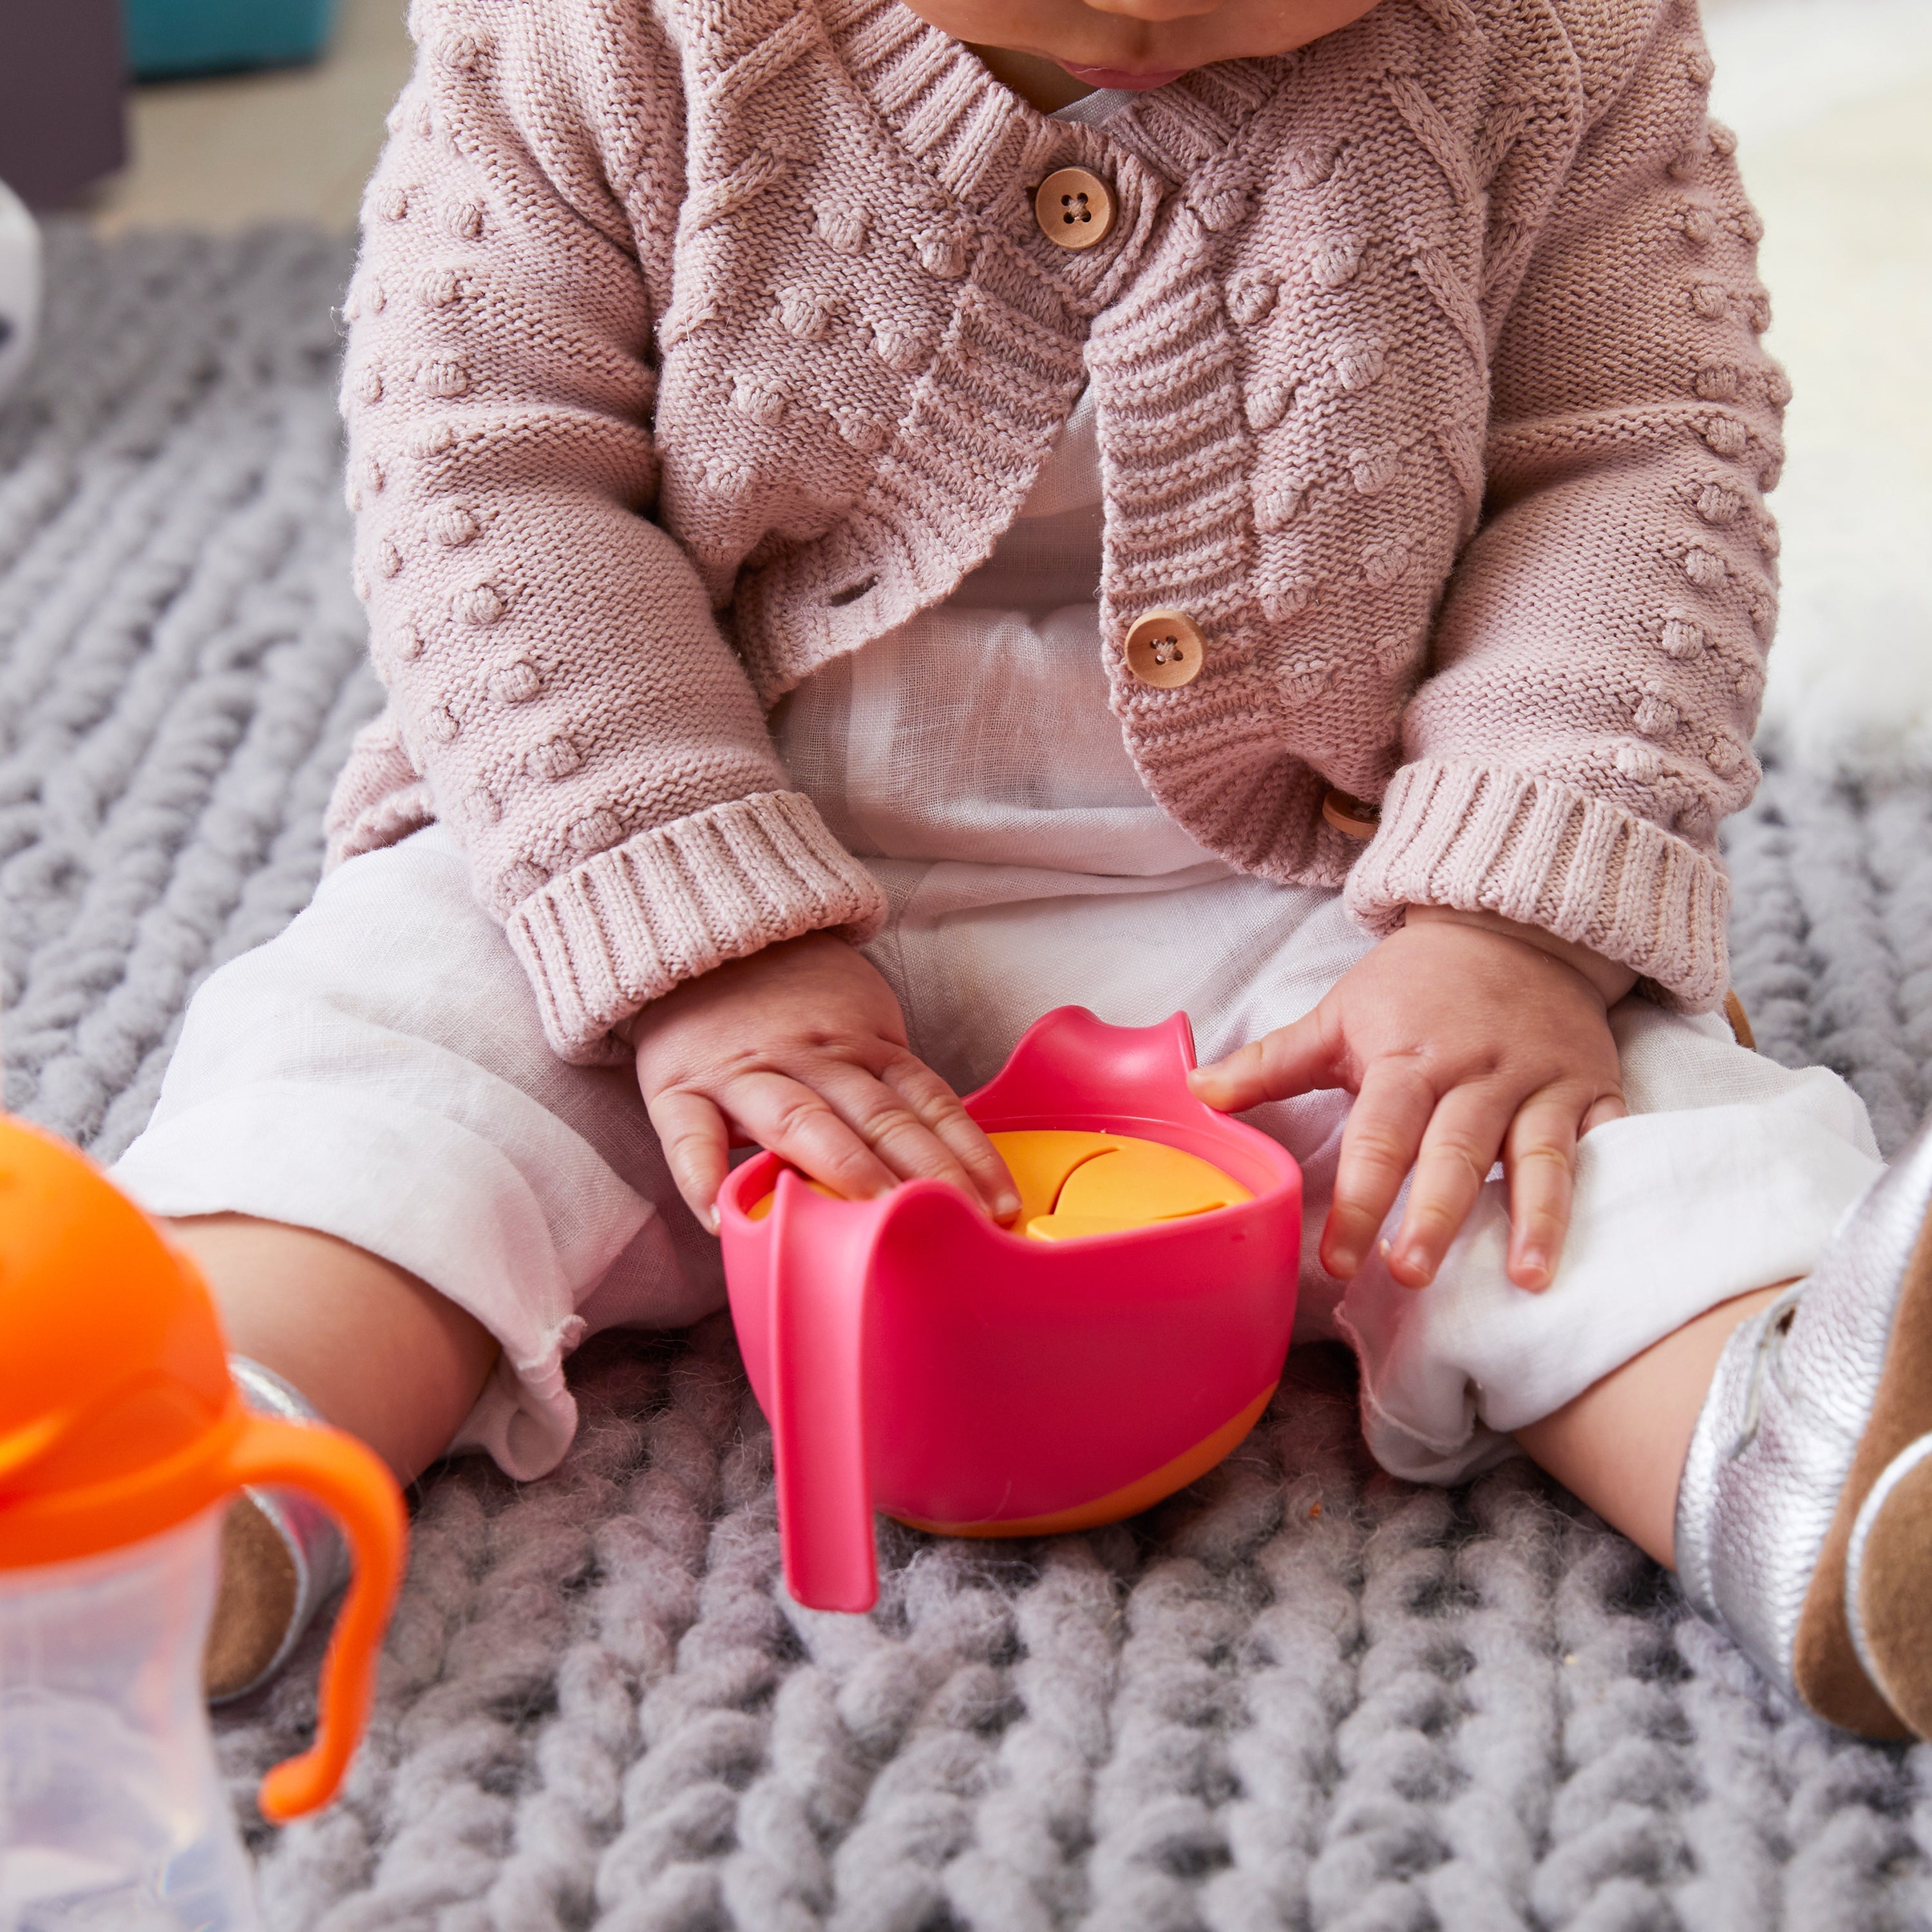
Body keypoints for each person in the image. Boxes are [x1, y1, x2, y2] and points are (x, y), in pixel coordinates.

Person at [112, 0, 1932, 1740]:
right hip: (664, 847)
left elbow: (1636, 468)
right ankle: (199, 1463)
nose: (1142, 13)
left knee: (1557, 1140)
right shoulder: (602, 31)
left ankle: (1784, 1471)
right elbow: (483, 478)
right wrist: (690, 924)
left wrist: (1504, 918)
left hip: (1317, 886)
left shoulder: (1553, 40)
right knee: (378, 1064)